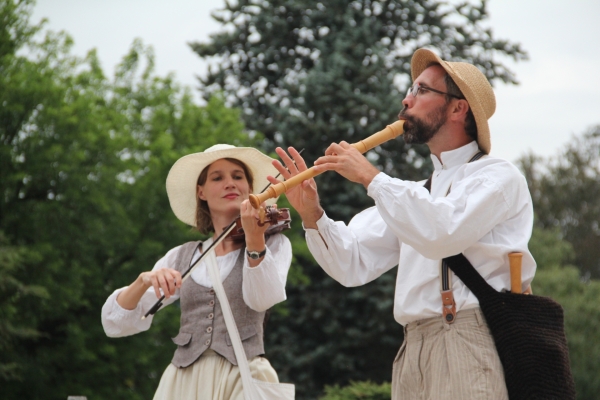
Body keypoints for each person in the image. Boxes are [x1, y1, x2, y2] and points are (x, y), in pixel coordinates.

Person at [269, 48, 535, 399]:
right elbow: (352, 264)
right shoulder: (413, 196)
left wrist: (370, 176)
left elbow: (442, 232)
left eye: (422, 90)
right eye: (411, 88)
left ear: (458, 108)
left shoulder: (497, 177)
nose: (406, 100)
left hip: (468, 339)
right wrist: (312, 215)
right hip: (413, 345)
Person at [101, 144, 292, 400]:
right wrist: (143, 280)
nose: (230, 183)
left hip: (243, 376)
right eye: (218, 177)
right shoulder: (182, 255)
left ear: (250, 190)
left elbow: (262, 298)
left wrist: (255, 241)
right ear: (201, 192)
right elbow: (116, 324)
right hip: (184, 380)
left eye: (238, 176)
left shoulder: (274, 244)